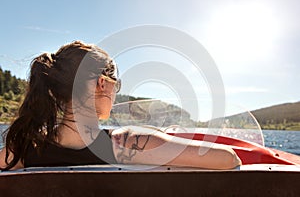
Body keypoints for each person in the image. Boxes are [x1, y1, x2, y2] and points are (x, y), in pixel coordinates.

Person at [0, 41, 241, 170]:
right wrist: (158, 138)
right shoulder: (125, 143)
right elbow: (228, 159)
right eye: (117, 85)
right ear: (102, 84)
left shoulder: (22, 151)